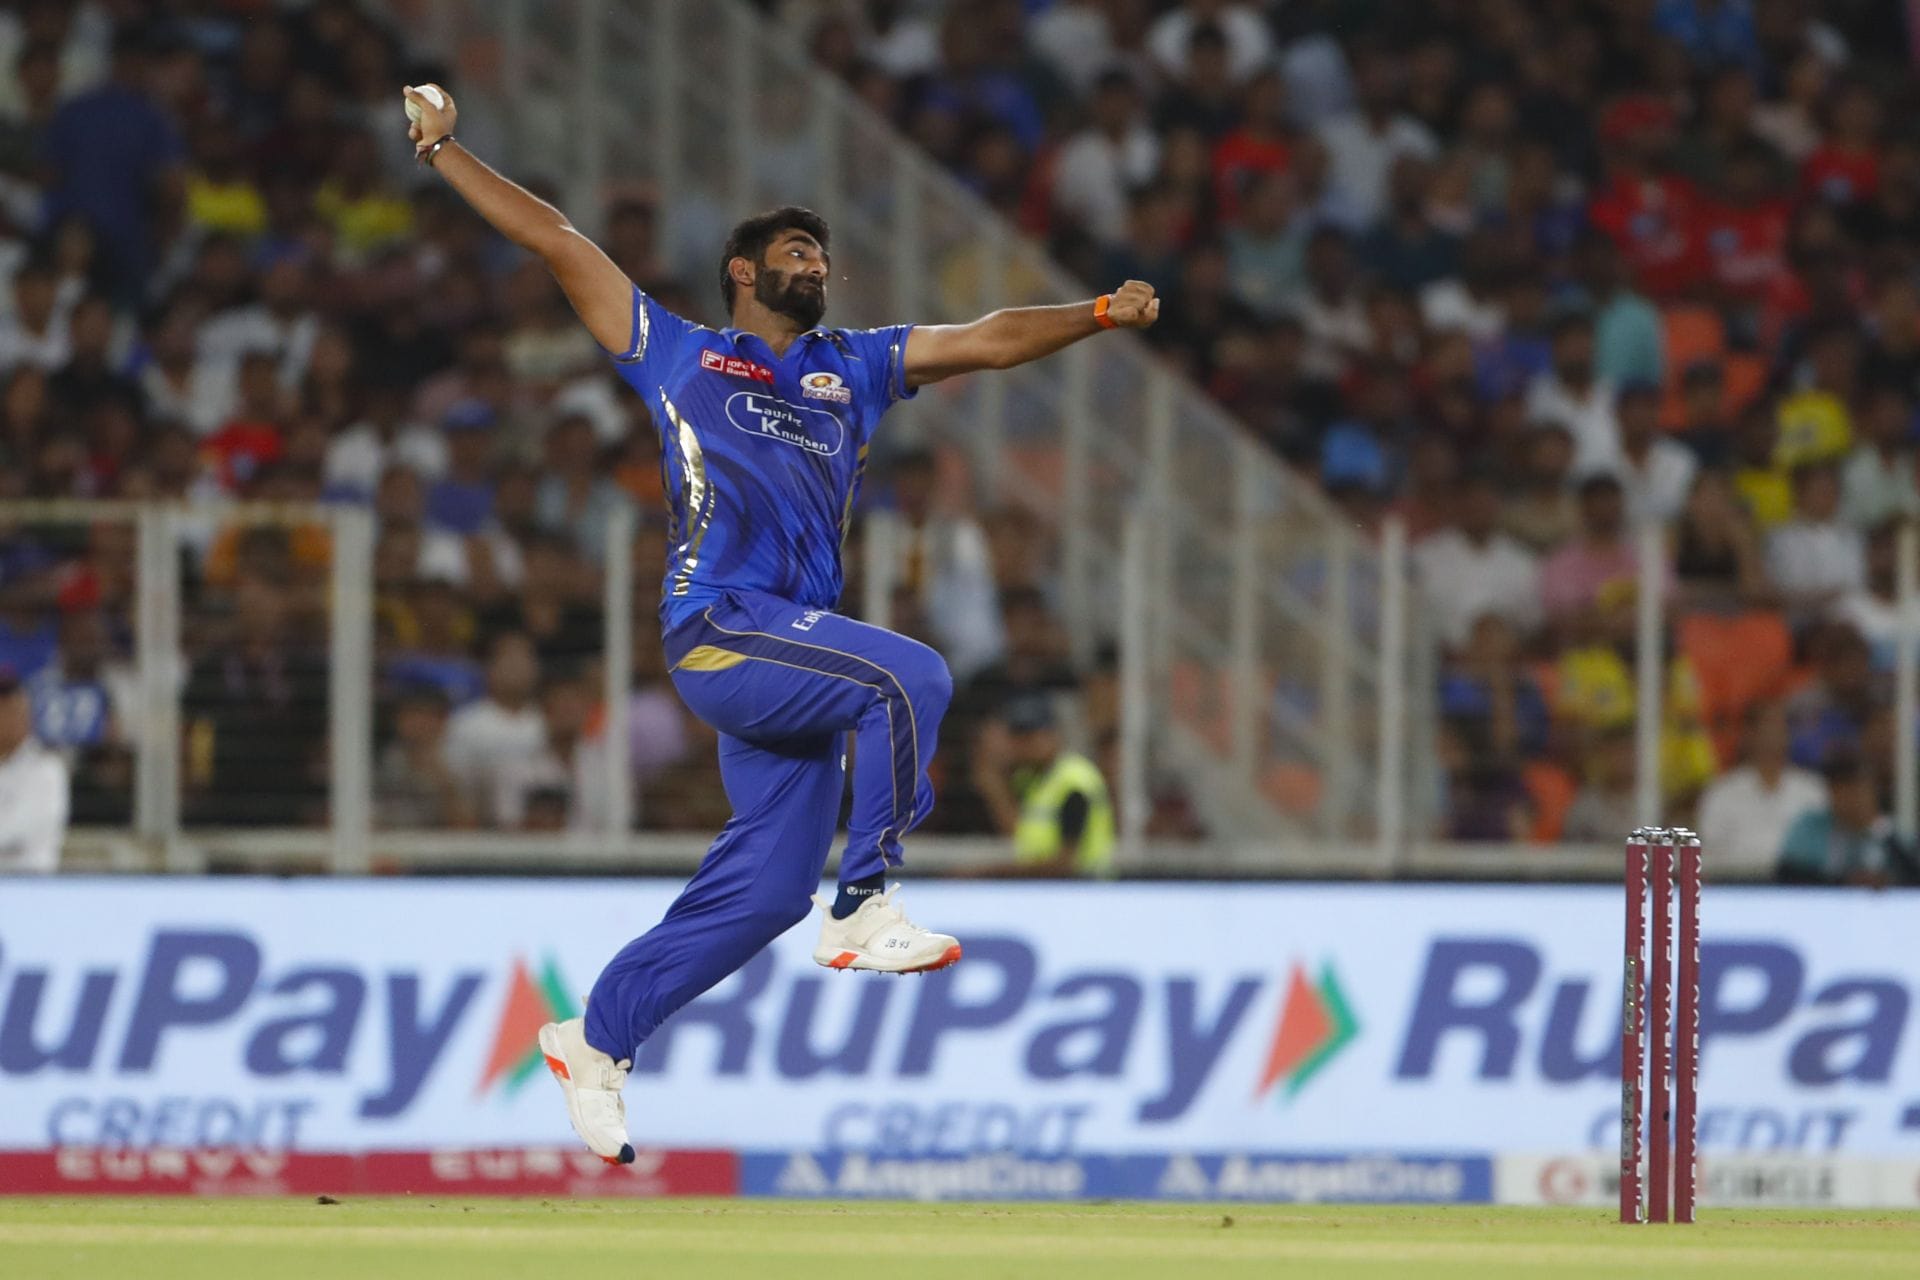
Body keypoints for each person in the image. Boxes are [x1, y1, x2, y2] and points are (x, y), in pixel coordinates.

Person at [398, 84, 1160, 1165]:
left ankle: (595, 1038)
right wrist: (447, 154)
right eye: (799, 251)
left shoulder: (853, 366)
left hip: (788, 648)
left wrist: (1091, 314)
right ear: (744, 273)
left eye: (824, 256)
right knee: (913, 679)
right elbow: (558, 240)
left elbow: (985, 340)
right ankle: (866, 900)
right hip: (721, 626)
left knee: (761, 894)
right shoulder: (678, 352)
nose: (818, 265)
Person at [968, 692, 1116, 878]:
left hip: (1084, 894)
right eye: (1018, 737)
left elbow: (1065, 864)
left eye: (1031, 736)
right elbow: (1021, 836)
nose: (1023, 745)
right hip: (1047, 894)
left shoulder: (1074, 782)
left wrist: (990, 873)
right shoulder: (1032, 780)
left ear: (1053, 735)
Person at [1695, 701, 1827, 877]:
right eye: (1767, 726)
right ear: (1749, 734)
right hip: (1737, 887)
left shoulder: (1812, 789)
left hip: (1799, 888)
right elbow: (1708, 852)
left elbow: (1825, 850)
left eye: (1780, 727)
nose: (1773, 734)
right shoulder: (1722, 793)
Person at [1777, 756, 1919, 887]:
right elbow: (1788, 874)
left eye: (1858, 790)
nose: (1851, 800)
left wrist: (1879, 829)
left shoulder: (1894, 835)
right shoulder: (1809, 828)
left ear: (1872, 791)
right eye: (1842, 791)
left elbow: (1912, 875)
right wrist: (1843, 882)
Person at [0, 667, 68, 873]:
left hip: (29, 887)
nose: (9, 720)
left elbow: (15, 833)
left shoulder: (46, 770)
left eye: (15, 711)